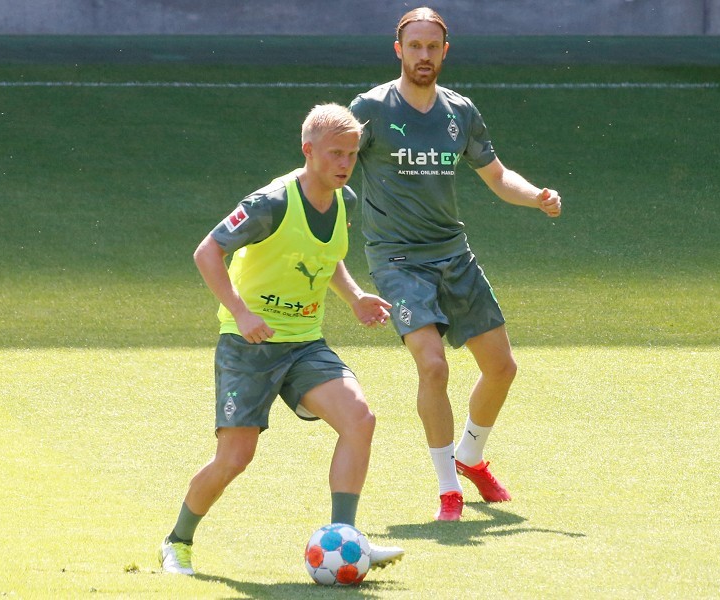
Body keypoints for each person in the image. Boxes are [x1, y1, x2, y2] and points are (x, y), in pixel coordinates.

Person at [159, 103, 404, 574]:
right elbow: (206, 252)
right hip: (248, 345)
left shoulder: (343, 201)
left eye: (352, 155)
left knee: (360, 419)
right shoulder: (269, 203)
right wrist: (241, 312)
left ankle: (344, 538)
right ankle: (178, 541)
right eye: (335, 153)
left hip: (304, 343)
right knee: (235, 457)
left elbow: (324, 255)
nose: (344, 164)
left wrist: (353, 298)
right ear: (307, 150)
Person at [348, 8, 562, 521]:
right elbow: (334, 165)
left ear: (446, 51)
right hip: (397, 260)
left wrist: (537, 196)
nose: (424, 56)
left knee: (502, 367)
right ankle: (448, 488)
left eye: (433, 47)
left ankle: (470, 456)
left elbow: (496, 174)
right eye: (415, 47)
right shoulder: (371, 109)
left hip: (452, 253)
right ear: (398, 50)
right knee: (434, 364)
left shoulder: (459, 111)